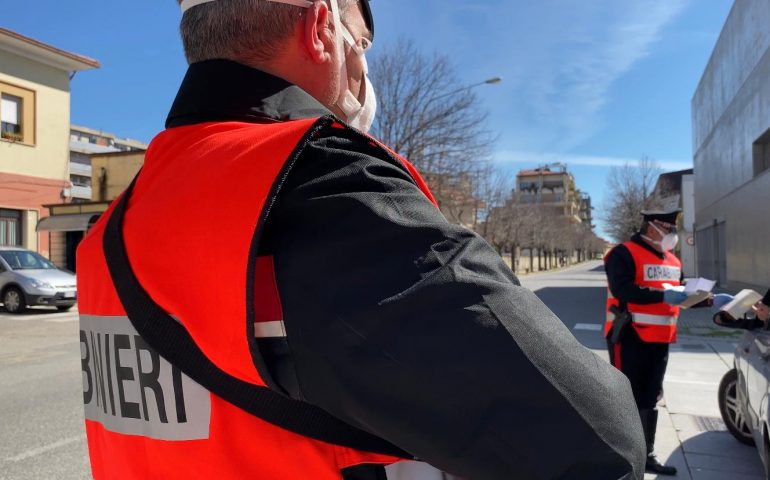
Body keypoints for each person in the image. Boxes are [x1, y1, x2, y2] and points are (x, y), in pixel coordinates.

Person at [76, 1, 645, 478]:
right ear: (321, 27)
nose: (363, 68)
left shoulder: (109, 231)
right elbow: (600, 440)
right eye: (362, 44)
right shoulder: (321, 184)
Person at [604, 209, 717, 476]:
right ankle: (621, 457)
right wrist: (664, 295)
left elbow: (678, 294)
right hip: (629, 335)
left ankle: (647, 456)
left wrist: (708, 300)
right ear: (652, 227)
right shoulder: (623, 253)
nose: (672, 235)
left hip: (661, 338)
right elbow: (623, 290)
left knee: (651, 397)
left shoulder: (673, 261)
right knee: (626, 397)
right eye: (668, 229)